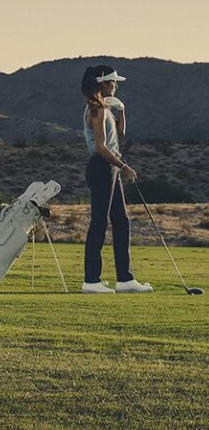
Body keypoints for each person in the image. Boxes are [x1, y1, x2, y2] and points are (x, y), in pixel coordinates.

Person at [80, 65, 151, 294]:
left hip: (110, 168)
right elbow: (100, 147)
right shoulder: (96, 110)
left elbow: (118, 134)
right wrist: (125, 167)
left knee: (121, 220)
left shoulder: (105, 109)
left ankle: (125, 279)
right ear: (103, 83)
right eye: (113, 82)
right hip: (102, 167)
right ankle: (91, 281)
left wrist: (122, 111)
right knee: (99, 222)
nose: (116, 86)